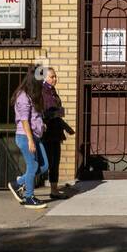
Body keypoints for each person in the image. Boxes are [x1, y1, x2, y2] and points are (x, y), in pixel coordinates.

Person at [7, 72, 49, 209]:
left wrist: (41, 125)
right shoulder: (23, 96)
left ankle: (18, 184)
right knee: (33, 166)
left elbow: (34, 117)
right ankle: (28, 197)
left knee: (44, 166)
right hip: (25, 137)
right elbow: (24, 121)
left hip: (35, 136)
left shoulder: (32, 95)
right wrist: (31, 140)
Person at [41, 67, 76, 200]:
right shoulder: (44, 92)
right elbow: (46, 112)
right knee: (46, 163)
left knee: (55, 162)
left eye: (55, 76)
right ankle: (23, 184)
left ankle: (54, 190)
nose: (55, 79)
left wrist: (66, 127)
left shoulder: (52, 91)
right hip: (47, 133)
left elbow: (56, 113)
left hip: (55, 132)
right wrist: (58, 112)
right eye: (52, 77)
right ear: (45, 78)